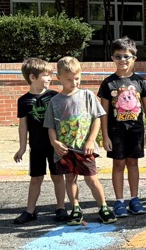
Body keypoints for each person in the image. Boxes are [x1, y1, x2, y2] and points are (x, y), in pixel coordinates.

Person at [43, 56, 115, 226]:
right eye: (68, 79)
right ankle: (75, 207)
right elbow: (50, 126)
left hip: (85, 148)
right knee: (70, 179)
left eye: (77, 78)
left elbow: (97, 118)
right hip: (65, 150)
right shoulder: (54, 102)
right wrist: (54, 142)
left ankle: (103, 206)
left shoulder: (87, 96)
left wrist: (91, 140)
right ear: (59, 78)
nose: (73, 82)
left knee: (91, 179)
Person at [97, 37, 146, 217]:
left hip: (136, 131)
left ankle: (134, 199)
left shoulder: (140, 82)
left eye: (126, 56)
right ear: (112, 58)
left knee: (133, 163)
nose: (122, 60)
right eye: (118, 56)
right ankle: (120, 201)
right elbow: (103, 112)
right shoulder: (108, 83)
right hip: (116, 132)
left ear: (134, 58)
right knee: (118, 164)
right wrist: (104, 135)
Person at [13, 57, 66, 224]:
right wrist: (22, 147)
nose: (50, 78)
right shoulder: (23, 101)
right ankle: (30, 210)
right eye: (46, 75)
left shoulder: (55, 97)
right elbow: (23, 126)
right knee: (36, 178)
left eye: (50, 75)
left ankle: (61, 208)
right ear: (33, 78)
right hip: (36, 146)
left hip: (55, 145)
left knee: (58, 177)